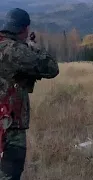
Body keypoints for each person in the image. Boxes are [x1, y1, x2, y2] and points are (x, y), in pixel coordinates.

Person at [0, 8, 59, 180]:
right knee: (9, 175)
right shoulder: (14, 50)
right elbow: (51, 68)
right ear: (24, 29)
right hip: (9, 127)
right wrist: (34, 48)